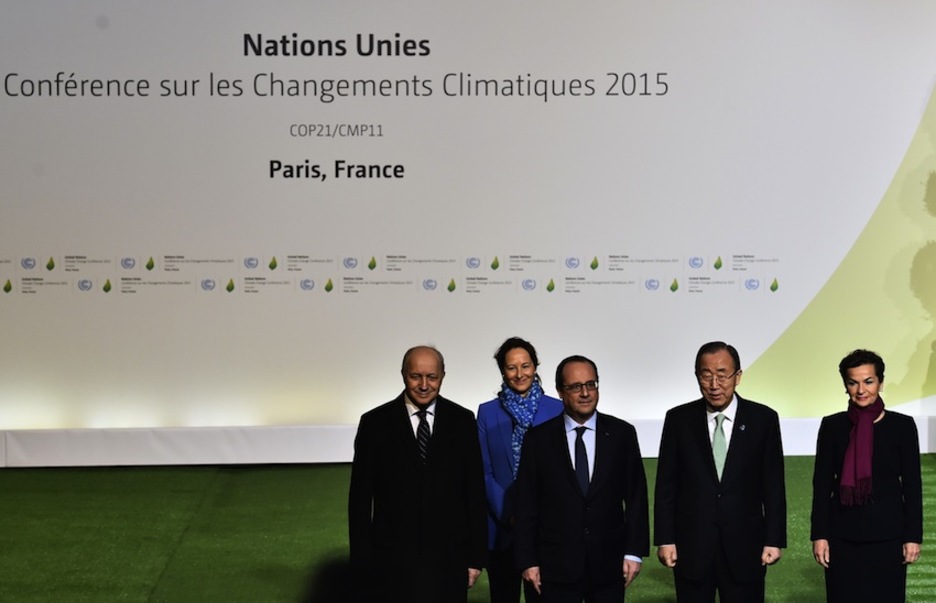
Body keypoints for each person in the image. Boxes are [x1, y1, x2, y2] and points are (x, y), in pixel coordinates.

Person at [347, 345, 487, 603]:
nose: (424, 385)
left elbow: (474, 492)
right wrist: (362, 562)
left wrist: (476, 557)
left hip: (449, 560)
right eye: (416, 376)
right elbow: (359, 500)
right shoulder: (374, 423)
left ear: (442, 376)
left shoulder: (463, 421)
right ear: (403, 375)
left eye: (432, 377)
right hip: (391, 563)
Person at [654, 341, 786, 603]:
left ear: (738, 377)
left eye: (722, 375)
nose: (714, 384)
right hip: (691, 548)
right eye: (706, 375)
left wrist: (774, 539)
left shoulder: (763, 419)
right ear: (697, 377)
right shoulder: (678, 420)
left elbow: (773, 484)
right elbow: (666, 485)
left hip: (745, 548)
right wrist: (665, 539)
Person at [514, 355, 649, 603]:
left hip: (609, 566)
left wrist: (634, 552)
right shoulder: (538, 440)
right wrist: (528, 560)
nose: (585, 393)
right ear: (560, 392)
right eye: (576, 387)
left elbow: (636, 497)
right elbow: (526, 504)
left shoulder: (622, 434)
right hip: (554, 569)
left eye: (591, 384)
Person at [810, 349, 923, 602]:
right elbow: (821, 485)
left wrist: (913, 537)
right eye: (853, 382)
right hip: (842, 538)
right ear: (845, 386)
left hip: (889, 538)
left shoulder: (902, 427)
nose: (861, 390)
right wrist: (820, 535)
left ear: (880, 383)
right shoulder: (833, 426)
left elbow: (912, 486)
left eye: (868, 381)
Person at [478, 337, 564, 603]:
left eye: (525, 366)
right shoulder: (487, 412)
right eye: (511, 368)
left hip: (547, 526)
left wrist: (533, 515)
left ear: (535, 367)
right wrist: (511, 513)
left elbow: (563, 471)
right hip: (503, 526)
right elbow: (484, 471)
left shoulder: (558, 409)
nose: (519, 374)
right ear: (503, 371)